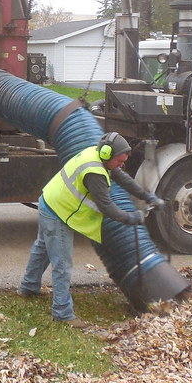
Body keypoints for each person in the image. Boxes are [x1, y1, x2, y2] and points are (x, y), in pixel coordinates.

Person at [17, 131, 165, 328]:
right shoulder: (94, 172)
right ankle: (62, 312)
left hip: (49, 202)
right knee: (62, 263)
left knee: (42, 249)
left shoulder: (98, 157)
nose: (122, 164)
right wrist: (133, 217)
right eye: (120, 161)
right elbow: (108, 208)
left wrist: (147, 196)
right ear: (107, 154)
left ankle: (28, 287)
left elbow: (123, 178)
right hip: (58, 212)